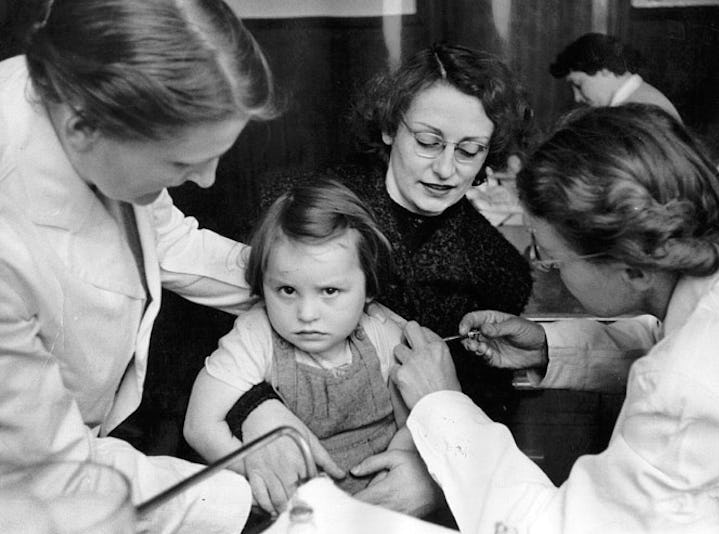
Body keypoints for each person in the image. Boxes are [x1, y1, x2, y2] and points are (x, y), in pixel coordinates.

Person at [391, 104, 719, 532]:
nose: (547, 267)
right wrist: (550, 347)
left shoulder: (688, 395)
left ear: (634, 269)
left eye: (554, 257)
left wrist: (441, 405)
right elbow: (688, 335)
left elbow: (548, 528)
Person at [0, 0, 279, 532]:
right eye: (181, 162)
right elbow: (53, 474)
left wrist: (297, 280)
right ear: (83, 128)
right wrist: (247, 502)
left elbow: (166, 240)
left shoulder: (89, 112)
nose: (208, 180)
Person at [230, 42, 534, 518]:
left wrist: (435, 474)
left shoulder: (499, 270)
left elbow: (488, 410)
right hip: (269, 482)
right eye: (429, 142)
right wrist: (251, 408)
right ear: (391, 127)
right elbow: (207, 339)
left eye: (469, 151)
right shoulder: (292, 202)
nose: (446, 169)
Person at [184, 179, 416, 513]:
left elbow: (411, 423)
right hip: (292, 511)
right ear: (263, 283)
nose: (306, 315)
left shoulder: (382, 333)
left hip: (377, 505)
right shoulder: (255, 335)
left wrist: (391, 474)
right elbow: (200, 425)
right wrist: (256, 474)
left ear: (368, 289)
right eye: (287, 291)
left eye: (330, 292)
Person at [550, 32, 681, 121]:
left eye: (578, 85)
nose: (576, 97)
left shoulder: (638, 109)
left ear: (604, 70)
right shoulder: (637, 98)